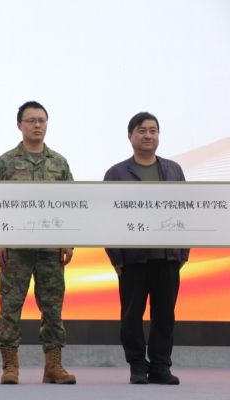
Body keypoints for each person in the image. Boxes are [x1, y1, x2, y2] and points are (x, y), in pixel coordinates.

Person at [0, 101, 76, 385]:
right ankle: (10, 366)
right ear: (19, 125)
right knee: (10, 306)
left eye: (42, 120)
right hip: (15, 249)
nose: (37, 125)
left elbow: (72, 205)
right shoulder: (5, 162)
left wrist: (69, 241)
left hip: (50, 249)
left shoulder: (59, 163)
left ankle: (53, 366)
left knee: (52, 308)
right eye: (31, 120)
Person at [104, 112, 189, 385]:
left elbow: (187, 212)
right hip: (132, 259)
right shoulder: (116, 174)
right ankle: (138, 366)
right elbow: (106, 218)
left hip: (167, 257)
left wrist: (183, 252)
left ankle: (161, 367)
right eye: (142, 130)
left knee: (164, 315)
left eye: (153, 130)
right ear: (130, 136)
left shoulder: (173, 171)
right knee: (131, 315)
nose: (148, 135)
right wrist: (115, 257)